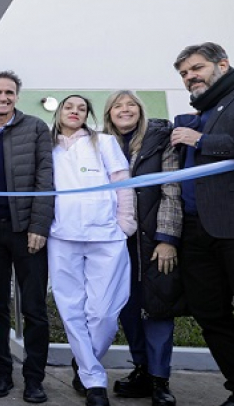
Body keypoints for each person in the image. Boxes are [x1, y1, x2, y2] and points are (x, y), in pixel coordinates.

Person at [48, 95, 136, 406]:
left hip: (106, 235)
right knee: (71, 310)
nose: (75, 111)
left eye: (82, 108)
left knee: (104, 313)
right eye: (69, 107)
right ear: (59, 112)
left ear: (88, 115)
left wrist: (125, 223)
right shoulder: (48, 147)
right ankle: (94, 381)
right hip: (62, 235)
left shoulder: (105, 142)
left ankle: (84, 362)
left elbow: (122, 182)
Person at [103, 90, 183, 406]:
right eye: (117, 106)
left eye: (130, 105)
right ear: (109, 114)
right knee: (127, 306)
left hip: (152, 240)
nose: (125, 110)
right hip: (115, 242)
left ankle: (160, 380)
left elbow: (172, 188)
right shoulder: (102, 144)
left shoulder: (160, 140)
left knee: (158, 306)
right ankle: (142, 371)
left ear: (140, 110)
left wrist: (167, 239)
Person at [0, 71, 53, 403]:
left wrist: (39, 226)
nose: (3, 97)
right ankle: (2, 373)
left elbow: (45, 179)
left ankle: (34, 379)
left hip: (26, 231)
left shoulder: (36, 127)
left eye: (9, 92)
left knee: (34, 309)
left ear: (17, 96)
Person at [171, 42, 234, 406]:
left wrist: (203, 140)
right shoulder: (203, 110)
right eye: (184, 73)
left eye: (196, 68)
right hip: (196, 230)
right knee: (209, 313)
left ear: (222, 65)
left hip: (230, 227)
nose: (190, 77)